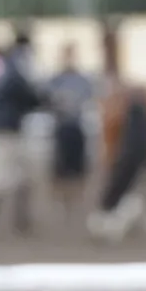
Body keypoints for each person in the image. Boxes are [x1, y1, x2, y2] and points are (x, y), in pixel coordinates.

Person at [0, 28, 44, 237]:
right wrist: (46, 100)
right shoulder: (16, 67)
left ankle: (18, 221)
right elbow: (27, 94)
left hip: (5, 126)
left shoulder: (4, 66)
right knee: (3, 175)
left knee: (20, 174)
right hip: (8, 129)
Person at [45, 42, 96, 216]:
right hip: (62, 127)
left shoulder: (82, 80)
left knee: (78, 166)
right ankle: (60, 201)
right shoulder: (55, 80)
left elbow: (90, 99)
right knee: (59, 166)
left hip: (76, 126)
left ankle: (75, 201)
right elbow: (48, 101)